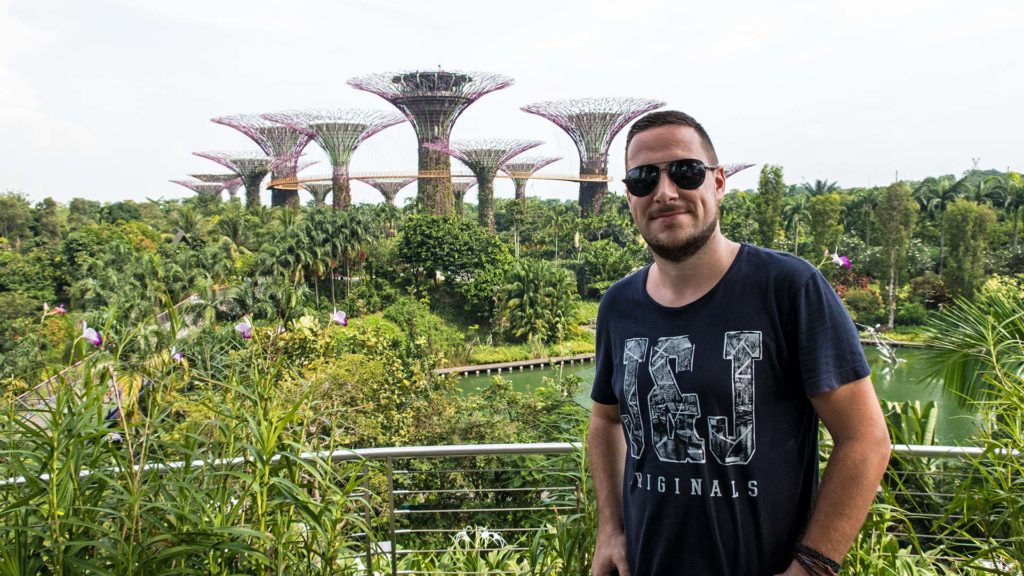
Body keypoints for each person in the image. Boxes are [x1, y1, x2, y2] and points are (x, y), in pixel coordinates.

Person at [588, 110, 891, 575]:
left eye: (685, 172)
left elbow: (865, 438)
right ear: (629, 195)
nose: (665, 192)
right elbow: (607, 421)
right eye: (643, 179)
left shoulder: (788, 288)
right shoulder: (619, 305)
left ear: (719, 182)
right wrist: (611, 530)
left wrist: (811, 566)